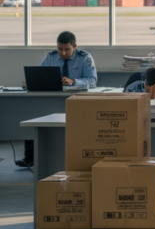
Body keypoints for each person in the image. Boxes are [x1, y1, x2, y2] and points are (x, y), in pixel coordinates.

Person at [15, 31, 97, 168]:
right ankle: (30, 157)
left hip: (76, 100)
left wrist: (73, 81)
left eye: (67, 49)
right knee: (31, 113)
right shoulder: (51, 57)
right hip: (51, 98)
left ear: (75, 46)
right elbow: (40, 75)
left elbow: (93, 81)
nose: (63, 53)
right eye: (60, 49)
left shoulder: (85, 58)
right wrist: (31, 82)